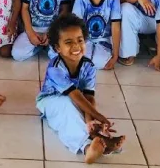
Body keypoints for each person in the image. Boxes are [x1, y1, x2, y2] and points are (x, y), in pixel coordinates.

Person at [37, 13, 124, 163]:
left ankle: (99, 138)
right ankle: (87, 147)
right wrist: (100, 116)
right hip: (50, 101)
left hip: (76, 99)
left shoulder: (89, 66)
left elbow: (89, 97)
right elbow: (75, 95)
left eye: (80, 40)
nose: (76, 46)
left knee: (83, 112)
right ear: (57, 48)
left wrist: (91, 120)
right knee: (68, 111)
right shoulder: (55, 68)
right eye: (69, 42)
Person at [72, 0, 121, 70]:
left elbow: (115, 28)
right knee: (79, 62)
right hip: (85, 39)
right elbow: (76, 25)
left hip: (104, 40)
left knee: (100, 63)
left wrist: (115, 55)